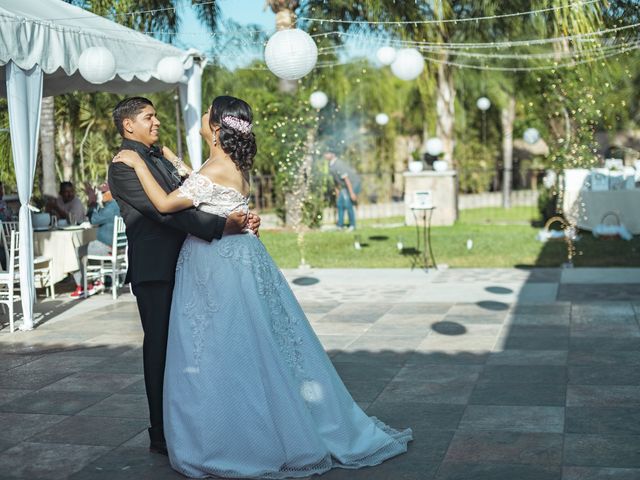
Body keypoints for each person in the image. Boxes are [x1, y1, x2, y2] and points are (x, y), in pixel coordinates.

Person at [113, 95, 412, 479]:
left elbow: (170, 204)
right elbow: (184, 194)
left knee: (227, 345)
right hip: (209, 261)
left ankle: (236, 432)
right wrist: (218, 213)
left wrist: (219, 219)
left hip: (215, 263)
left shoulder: (209, 165)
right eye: (149, 117)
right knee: (226, 342)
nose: (201, 117)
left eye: (207, 115)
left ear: (218, 128)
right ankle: (183, 429)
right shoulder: (218, 164)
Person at [107, 96, 258, 456]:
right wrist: (223, 225)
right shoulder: (124, 166)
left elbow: (196, 194)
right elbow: (165, 214)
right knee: (160, 349)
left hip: (191, 264)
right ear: (129, 125)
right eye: (149, 117)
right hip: (156, 269)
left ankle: (198, 420)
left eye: (156, 116)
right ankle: (160, 432)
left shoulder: (158, 156)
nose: (156, 122)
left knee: (194, 348)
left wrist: (236, 212)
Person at [68, 182, 121, 298]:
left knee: (74, 252)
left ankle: (83, 286)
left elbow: (93, 219)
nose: (101, 195)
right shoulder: (115, 205)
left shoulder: (112, 207)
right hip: (113, 246)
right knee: (90, 246)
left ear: (112, 193)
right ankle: (97, 281)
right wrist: (94, 203)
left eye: (103, 192)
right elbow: (97, 215)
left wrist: (92, 201)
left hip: (107, 246)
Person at [325, 150, 361, 230]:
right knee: (340, 204)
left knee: (348, 203)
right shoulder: (331, 165)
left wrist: (352, 193)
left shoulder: (338, 164)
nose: (325, 155)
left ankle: (352, 225)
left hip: (353, 184)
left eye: (327, 153)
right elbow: (336, 180)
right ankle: (340, 226)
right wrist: (337, 194)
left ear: (333, 154)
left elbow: (347, 179)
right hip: (345, 186)